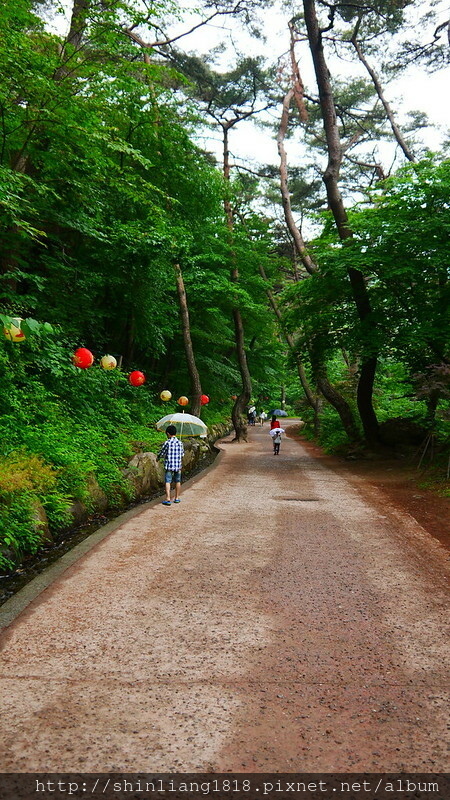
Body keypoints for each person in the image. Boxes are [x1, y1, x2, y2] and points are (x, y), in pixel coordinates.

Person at [157, 425, 184, 505]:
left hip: (169, 466)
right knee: (178, 481)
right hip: (178, 466)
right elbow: (182, 454)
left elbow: (162, 452)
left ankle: (168, 499)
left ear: (168, 433)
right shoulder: (180, 443)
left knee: (168, 481)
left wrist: (158, 457)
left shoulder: (167, 442)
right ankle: (177, 498)